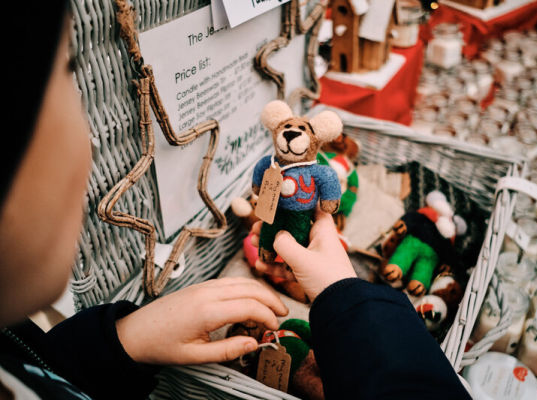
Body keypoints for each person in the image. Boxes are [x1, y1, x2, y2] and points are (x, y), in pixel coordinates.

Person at [0, 2, 470, 399]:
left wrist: (120, 341)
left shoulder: (17, 356)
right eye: (67, 74)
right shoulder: (271, 171)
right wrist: (345, 299)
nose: (91, 140)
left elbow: (330, 188)